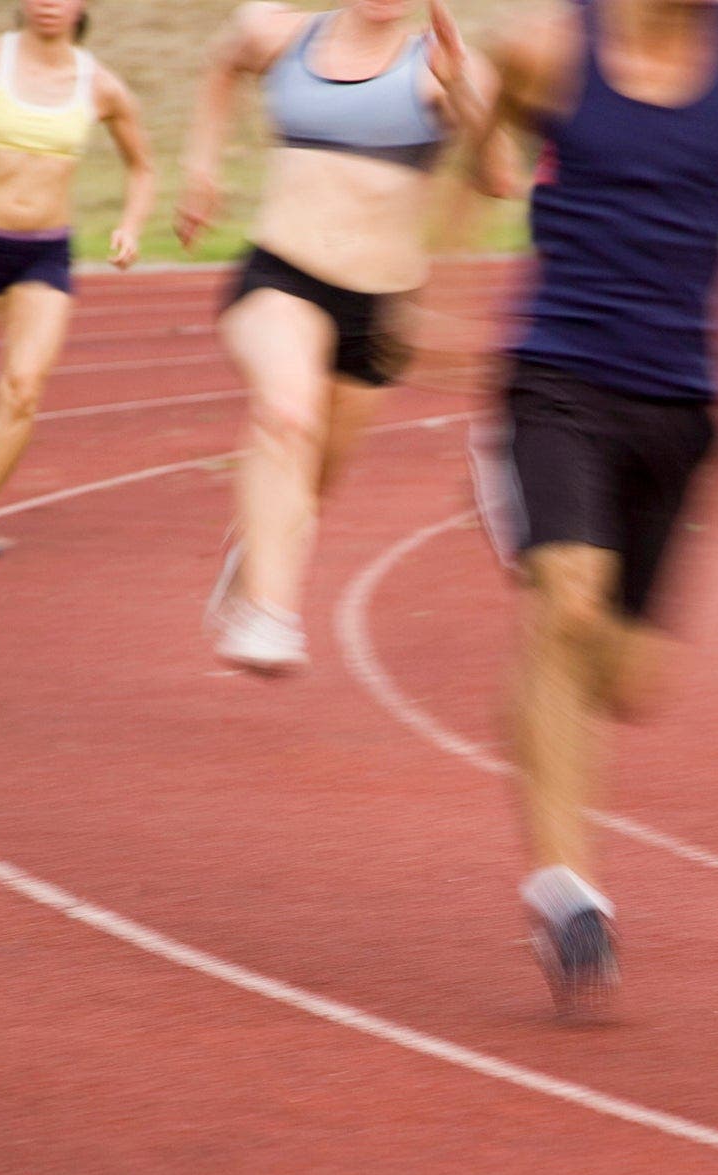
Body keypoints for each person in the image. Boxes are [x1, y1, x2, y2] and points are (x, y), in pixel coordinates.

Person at [467, 0, 718, 1012]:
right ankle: (566, 894)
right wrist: (427, 270)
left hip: (681, 406)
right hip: (556, 376)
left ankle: (533, 700)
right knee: (566, 599)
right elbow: (474, 170)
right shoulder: (546, 49)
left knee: (623, 679)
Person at [177, 0, 506, 673]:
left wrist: (459, 88)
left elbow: (500, 176)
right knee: (285, 413)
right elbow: (221, 68)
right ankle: (272, 616)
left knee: (314, 486)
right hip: (281, 276)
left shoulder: (448, 65)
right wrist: (201, 166)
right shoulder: (276, 32)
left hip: (379, 308)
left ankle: (255, 560)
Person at [0, 0, 155, 560]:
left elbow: (142, 165)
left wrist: (131, 225)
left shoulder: (102, 86)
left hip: (44, 255)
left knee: (23, 389)